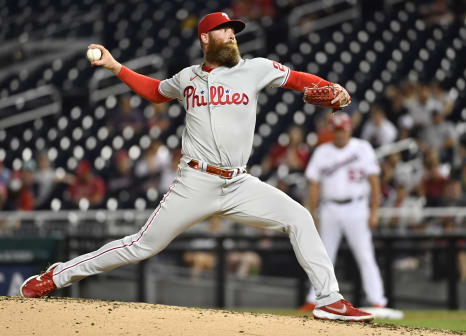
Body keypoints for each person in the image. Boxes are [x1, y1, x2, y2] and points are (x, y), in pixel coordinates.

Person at [20, 12, 372, 321]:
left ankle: (329, 300)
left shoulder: (255, 69)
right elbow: (156, 91)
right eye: (223, 30)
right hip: (196, 181)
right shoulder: (187, 78)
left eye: (233, 30)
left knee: (299, 218)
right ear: (205, 38)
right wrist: (115, 67)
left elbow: (297, 79)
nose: (232, 35)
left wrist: (327, 86)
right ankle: (56, 276)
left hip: (239, 183)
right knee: (141, 246)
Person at [299, 112, 401, 319]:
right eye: (336, 130)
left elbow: (374, 183)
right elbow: (313, 185)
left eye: (342, 130)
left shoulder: (362, 148)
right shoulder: (322, 151)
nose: (339, 134)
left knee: (365, 254)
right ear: (331, 131)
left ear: (349, 129)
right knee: (323, 255)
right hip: (330, 208)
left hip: (356, 207)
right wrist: (312, 212)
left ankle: (378, 300)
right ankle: (314, 299)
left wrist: (373, 211)